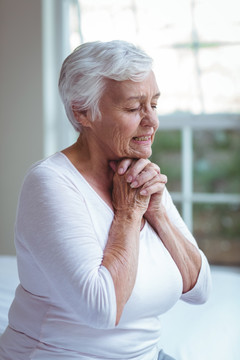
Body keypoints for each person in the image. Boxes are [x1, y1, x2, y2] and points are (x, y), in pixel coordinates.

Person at [0, 40, 211, 360]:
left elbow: (199, 289)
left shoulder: (140, 178)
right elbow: (101, 309)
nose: (151, 121)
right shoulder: (49, 183)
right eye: (132, 107)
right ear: (82, 111)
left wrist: (158, 214)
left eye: (154, 104)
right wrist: (128, 214)